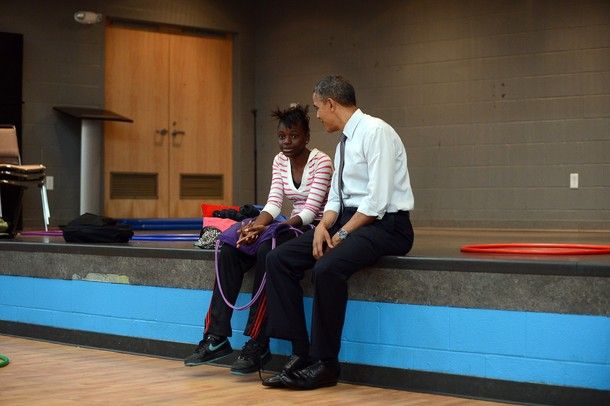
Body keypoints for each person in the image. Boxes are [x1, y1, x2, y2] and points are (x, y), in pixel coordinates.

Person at [262, 75, 415, 389]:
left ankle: (326, 364)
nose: (316, 115)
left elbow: (377, 201)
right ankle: (301, 354)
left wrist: (342, 234)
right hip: (349, 219)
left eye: (318, 108)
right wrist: (322, 226)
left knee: (327, 268)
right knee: (279, 259)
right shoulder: (344, 142)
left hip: (387, 225)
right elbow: (335, 198)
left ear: (331, 103)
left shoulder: (377, 132)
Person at [184, 105, 333, 374]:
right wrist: (256, 226)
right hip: (288, 225)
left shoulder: (321, 162)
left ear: (307, 136)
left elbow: (310, 212)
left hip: (313, 229)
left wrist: (270, 231)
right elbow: (274, 202)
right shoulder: (279, 160)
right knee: (231, 246)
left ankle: (258, 342)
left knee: (268, 250)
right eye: (282, 137)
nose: (287, 142)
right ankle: (216, 338)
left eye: (294, 136)